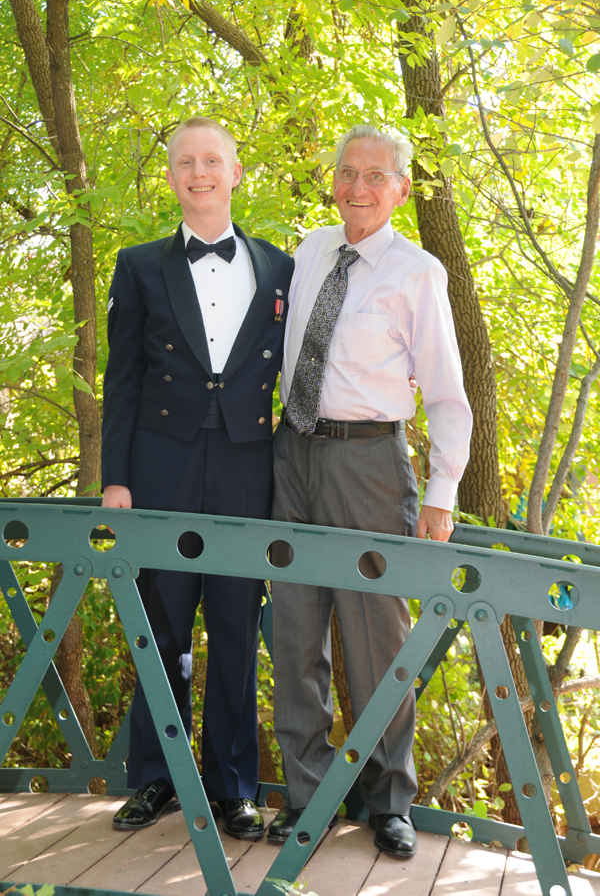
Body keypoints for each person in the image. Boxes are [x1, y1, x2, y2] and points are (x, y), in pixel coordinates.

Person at [268, 125, 473, 858]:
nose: (357, 187)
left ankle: (389, 798)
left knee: (375, 635)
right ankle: (309, 794)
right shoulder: (310, 249)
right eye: (347, 172)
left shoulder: (419, 272)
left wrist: (443, 493)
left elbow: (449, 394)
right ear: (334, 179)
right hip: (291, 453)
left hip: (370, 462)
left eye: (375, 176)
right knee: (292, 630)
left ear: (402, 189)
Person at [101, 116, 294, 840]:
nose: (199, 171)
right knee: (161, 622)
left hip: (249, 464)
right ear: (173, 176)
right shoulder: (138, 265)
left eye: (212, 159)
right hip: (161, 463)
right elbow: (122, 379)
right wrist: (115, 478)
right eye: (186, 161)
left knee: (238, 625)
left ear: (235, 172)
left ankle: (233, 787)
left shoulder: (280, 267)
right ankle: (156, 776)